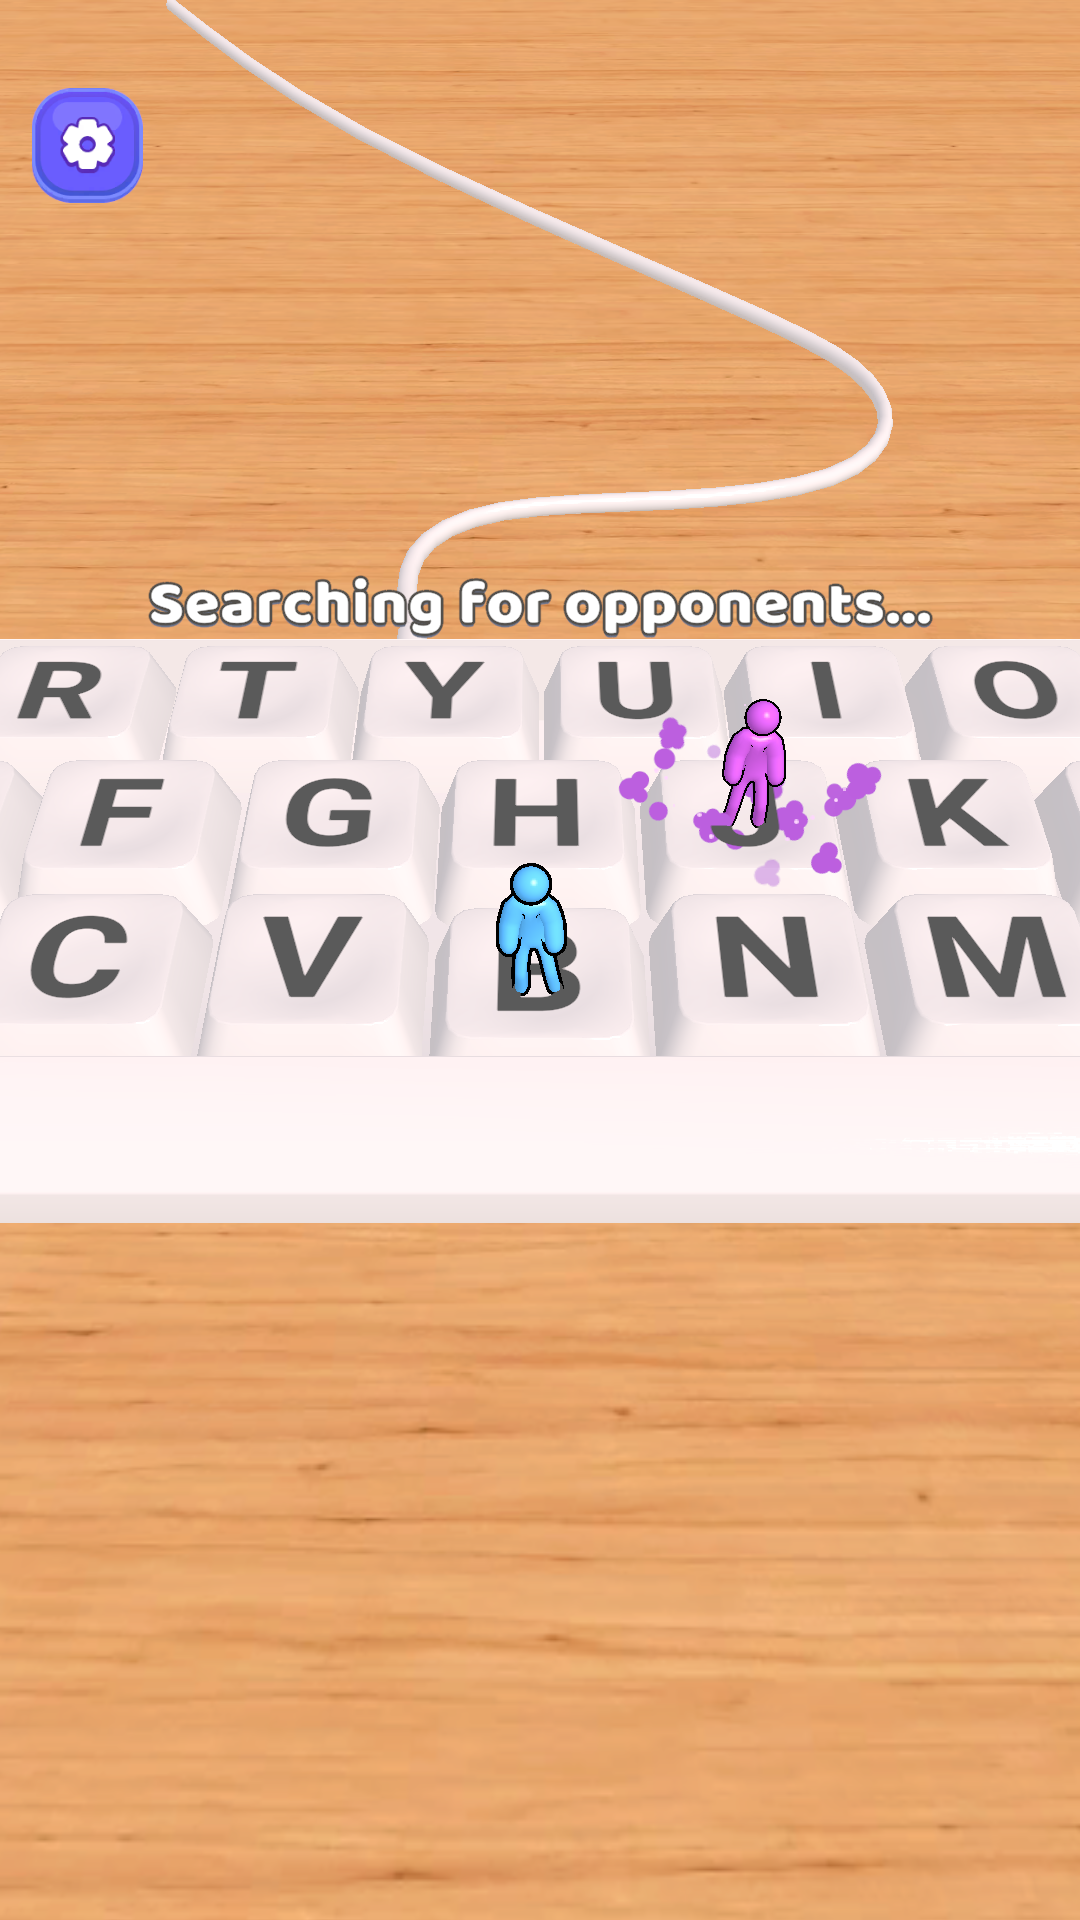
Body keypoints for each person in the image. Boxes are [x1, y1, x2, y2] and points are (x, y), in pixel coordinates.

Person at [496, 863, 567, 996]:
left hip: (538, 941)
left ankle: (553, 987)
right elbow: (509, 925)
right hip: (526, 941)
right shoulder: (513, 905)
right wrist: (508, 945)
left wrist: (554, 944)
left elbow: (553, 924)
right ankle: (523, 989)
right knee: (523, 965)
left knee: (545, 964)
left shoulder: (547, 905)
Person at [717, 698, 786, 829]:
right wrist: (776, 777)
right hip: (752, 775)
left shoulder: (745, 736)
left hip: (754, 775)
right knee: (753, 797)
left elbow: (736, 756)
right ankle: (746, 820)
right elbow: (736, 756)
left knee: (754, 798)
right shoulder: (772, 739)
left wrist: (732, 774)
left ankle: (753, 820)